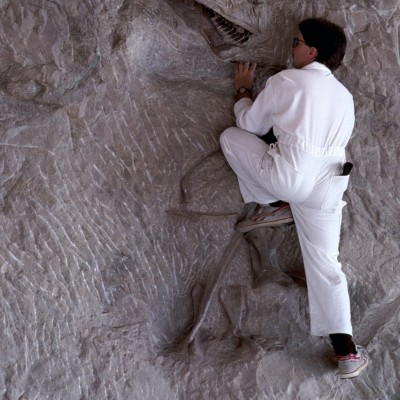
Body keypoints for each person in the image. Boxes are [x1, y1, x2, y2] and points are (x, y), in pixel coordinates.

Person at [220, 17, 369, 379]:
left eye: (296, 41)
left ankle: (273, 205)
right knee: (326, 265)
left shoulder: (286, 79)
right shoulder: (344, 97)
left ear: (311, 51)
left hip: (290, 177)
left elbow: (249, 126)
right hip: (330, 183)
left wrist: (243, 91)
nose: (292, 46)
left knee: (229, 138)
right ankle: (347, 353)